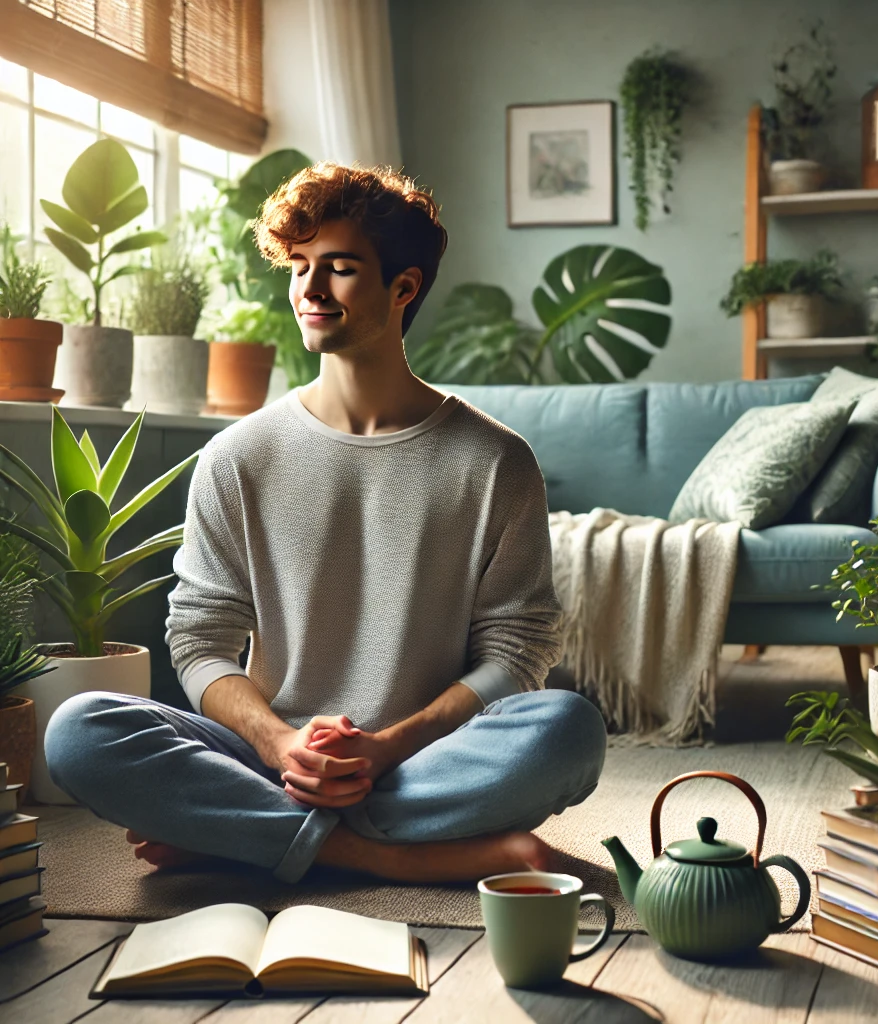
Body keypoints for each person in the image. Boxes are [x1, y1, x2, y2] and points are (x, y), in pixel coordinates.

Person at [44, 163, 607, 884]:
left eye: (338, 269)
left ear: (403, 287)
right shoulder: (237, 456)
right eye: (300, 266)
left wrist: (387, 747)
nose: (308, 290)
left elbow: (517, 651)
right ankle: (388, 857)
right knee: (80, 730)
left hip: (421, 760)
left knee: (568, 731)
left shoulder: (496, 461)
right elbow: (200, 639)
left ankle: (243, 836)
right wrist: (282, 746)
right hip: (269, 757)